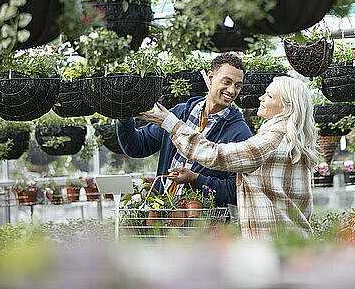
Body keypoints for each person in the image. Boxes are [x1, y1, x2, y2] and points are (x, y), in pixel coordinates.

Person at [139, 76, 321, 240]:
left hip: (274, 245)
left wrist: (172, 124)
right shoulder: (293, 139)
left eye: (269, 96)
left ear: (287, 107)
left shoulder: (273, 139)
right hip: (293, 240)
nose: (261, 98)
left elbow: (217, 155)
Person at [116, 53, 252, 207]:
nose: (232, 90)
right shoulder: (180, 113)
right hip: (164, 215)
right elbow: (137, 147)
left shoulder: (239, 132)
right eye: (227, 82)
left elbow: (238, 191)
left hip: (204, 224)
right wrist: (124, 118)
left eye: (237, 85)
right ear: (211, 78)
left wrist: (196, 179)